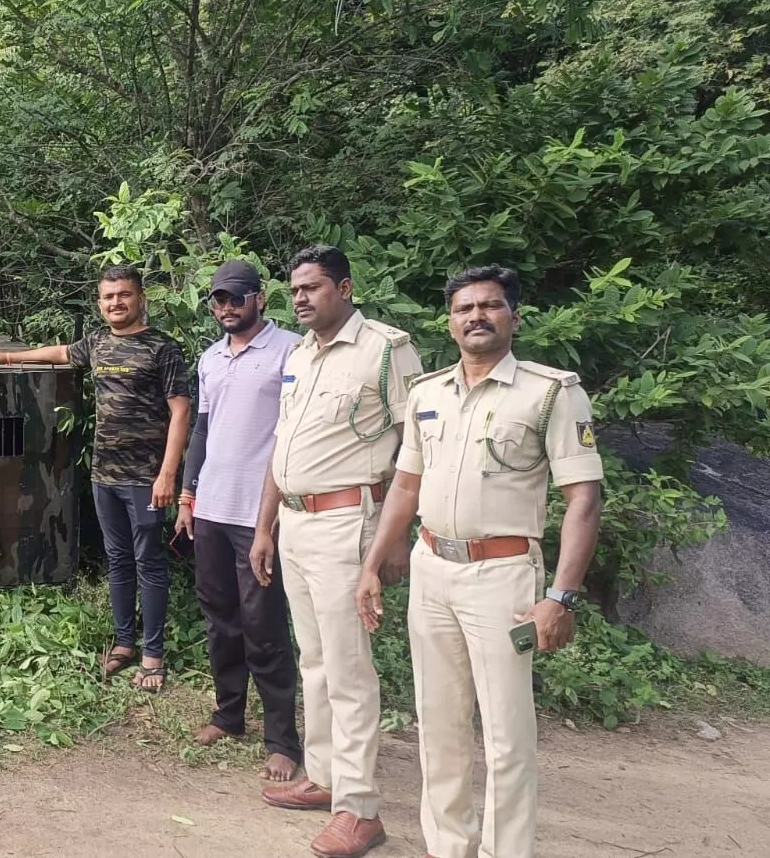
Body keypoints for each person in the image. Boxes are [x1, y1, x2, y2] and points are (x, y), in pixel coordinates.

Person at [357, 265, 603, 858]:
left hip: (503, 577)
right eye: (464, 308)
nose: (476, 317)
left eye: (490, 306)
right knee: (438, 724)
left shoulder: (550, 393)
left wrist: (560, 597)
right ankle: (449, 846)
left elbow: (584, 499)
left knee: (506, 733)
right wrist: (372, 564)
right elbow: (407, 487)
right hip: (432, 568)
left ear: (513, 317)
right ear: (449, 322)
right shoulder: (427, 393)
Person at [249, 244, 424, 858]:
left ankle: (360, 809)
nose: (300, 298)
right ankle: (323, 777)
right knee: (316, 661)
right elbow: (282, 447)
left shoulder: (386, 350)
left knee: (348, 671)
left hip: (349, 522)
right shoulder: (300, 354)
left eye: (313, 287)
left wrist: (394, 538)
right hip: (296, 523)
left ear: (345, 289)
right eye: (295, 289)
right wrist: (266, 526)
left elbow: (417, 447)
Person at [0, 265, 191, 691]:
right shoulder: (97, 343)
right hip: (104, 474)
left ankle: (153, 654)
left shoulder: (162, 348)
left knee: (149, 561)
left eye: (124, 294)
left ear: (141, 298)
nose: (116, 303)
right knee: (118, 559)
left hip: (146, 478)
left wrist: (168, 474)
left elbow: (181, 411)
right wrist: (7, 357)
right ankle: (124, 643)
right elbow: (59, 353)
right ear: (99, 302)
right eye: (109, 296)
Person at [173, 259, 304, 782]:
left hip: (260, 514)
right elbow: (202, 430)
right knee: (220, 619)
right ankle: (228, 715)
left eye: (236, 297)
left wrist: (272, 519)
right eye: (219, 300)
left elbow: (294, 434)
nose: (226, 307)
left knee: (263, 625)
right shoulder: (210, 358)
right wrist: (188, 495)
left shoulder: (292, 350)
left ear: (259, 298)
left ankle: (282, 740)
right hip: (212, 509)